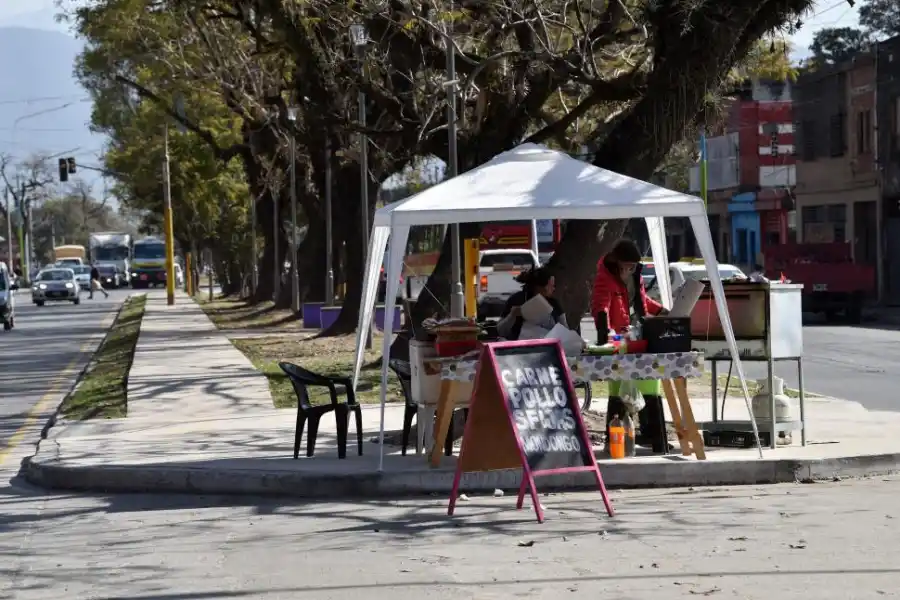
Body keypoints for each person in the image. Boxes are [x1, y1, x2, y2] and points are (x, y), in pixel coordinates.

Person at [591, 239, 669, 453]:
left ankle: (654, 436)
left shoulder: (637, 276)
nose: (630, 269)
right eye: (627, 265)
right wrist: (606, 330)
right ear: (616, 261)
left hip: (638, 333)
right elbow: (600, 306)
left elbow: (643, 301)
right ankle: (615, 438)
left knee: (651, 384)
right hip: (617, 337)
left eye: (634, 266)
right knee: (618, 388)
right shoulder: (605, 278)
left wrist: (662, 311)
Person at [497, 267, 567, 340]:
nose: (553, 288)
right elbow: (500, 331)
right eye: (551, 285)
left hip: (547, 346)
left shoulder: (554, 303)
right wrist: (512, 316)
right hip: (518, 346)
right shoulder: (517, 299)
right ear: (539, 287)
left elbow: (565, 329)